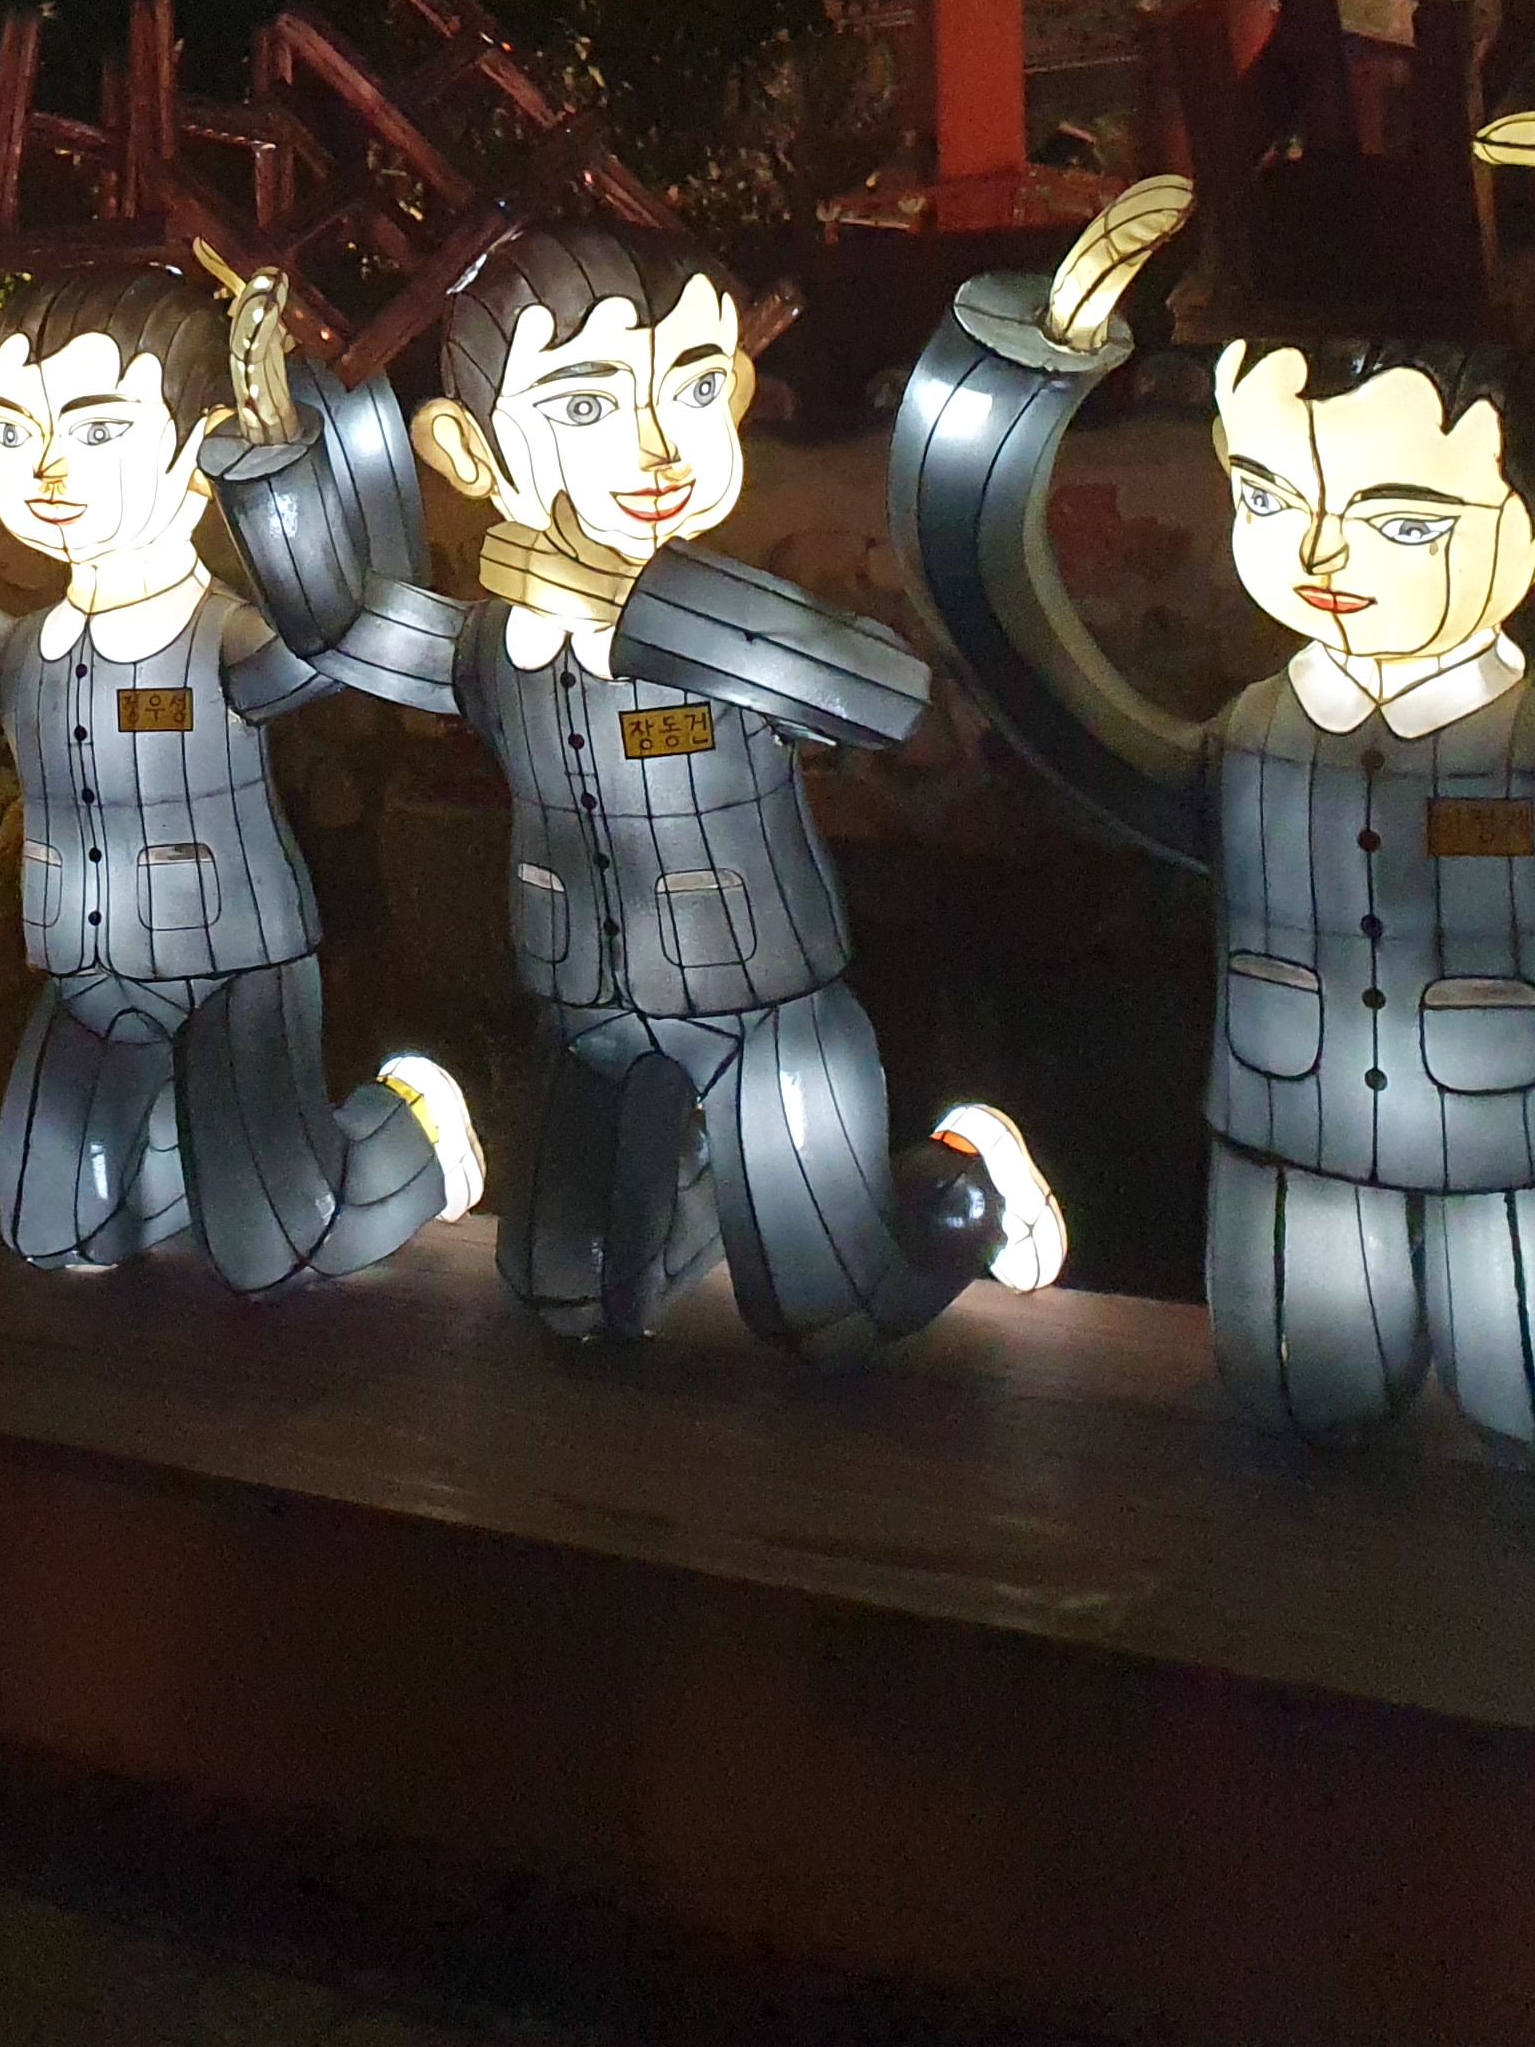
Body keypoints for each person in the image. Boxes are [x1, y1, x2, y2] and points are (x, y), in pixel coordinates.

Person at [891, 105, 1535, 1465]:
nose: (1321, 555)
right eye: (1267, 498)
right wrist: (1023, 365)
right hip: (1290, 1156)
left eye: (1405, 520)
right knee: (1302, 1398)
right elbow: (1000, 629)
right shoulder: (1247, 752)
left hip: (1527, 1170)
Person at [217, 227, 1062, 1356]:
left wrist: (643, 604)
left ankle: (965, 1184)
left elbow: (885, 693)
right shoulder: (491, 648)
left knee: (829, 1318)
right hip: (589, 1013)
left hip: (770, 1008)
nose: (659, 446)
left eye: (698, 388)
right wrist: (273, 456)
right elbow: (344, 627)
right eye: (585, 406)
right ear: (468, 451)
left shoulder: (728, 619)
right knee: (569, 1297)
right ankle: (714, 1190)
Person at [0, 245, 487, 1293]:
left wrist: (273, 454)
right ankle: (199, 1163)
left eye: (97, 430)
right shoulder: (19, 654)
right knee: (52, 1233)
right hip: (85, 975)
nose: (47, 470)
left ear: (196, 444)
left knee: (278, 1248)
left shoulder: (227, 644)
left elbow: (346, 625)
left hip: (237, 969)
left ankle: (412, 1126)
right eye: (11, 430)